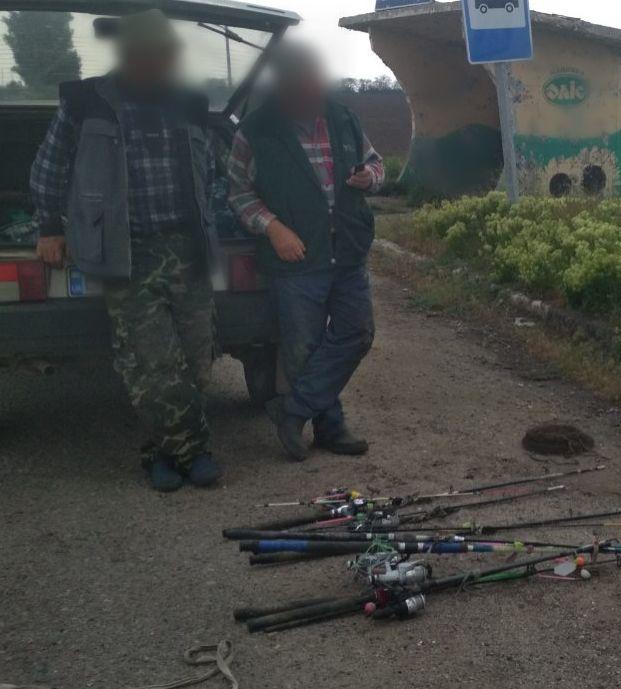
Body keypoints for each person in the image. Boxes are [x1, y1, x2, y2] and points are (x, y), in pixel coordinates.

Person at [29, 10, 221, 492]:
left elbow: (212, 172)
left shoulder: (191, 103)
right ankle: (192, 452)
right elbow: (49, 169)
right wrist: (49, 226)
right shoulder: (87, 101)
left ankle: (163, 451)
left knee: (197, 358)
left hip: (187, 245)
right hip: (126, 249)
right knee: (152, 362)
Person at [227, 43, 384, 462]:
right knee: (303, 347)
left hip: (347, 250)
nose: (312, 91)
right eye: (302, 82)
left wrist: (370, 177)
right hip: (295, 259)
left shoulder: (343, 118)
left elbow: (377, 164)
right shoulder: (255, 130)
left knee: (357, 333)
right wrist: (273, 227)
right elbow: (238, 194)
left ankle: (292, 410)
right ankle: (330, 427)